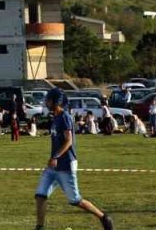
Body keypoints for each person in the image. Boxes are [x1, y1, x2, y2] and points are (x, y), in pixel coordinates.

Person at [34, 88, 113, 230]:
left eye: (49, 100)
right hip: (54, 166)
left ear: (56, 101)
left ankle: (103, 217)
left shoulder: (64, 117)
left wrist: (55, 156)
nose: (46, 102)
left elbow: (68, 140)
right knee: (40, 195)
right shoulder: (55, 117)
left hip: (65, 165)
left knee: (75, 200)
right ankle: (39, 227)